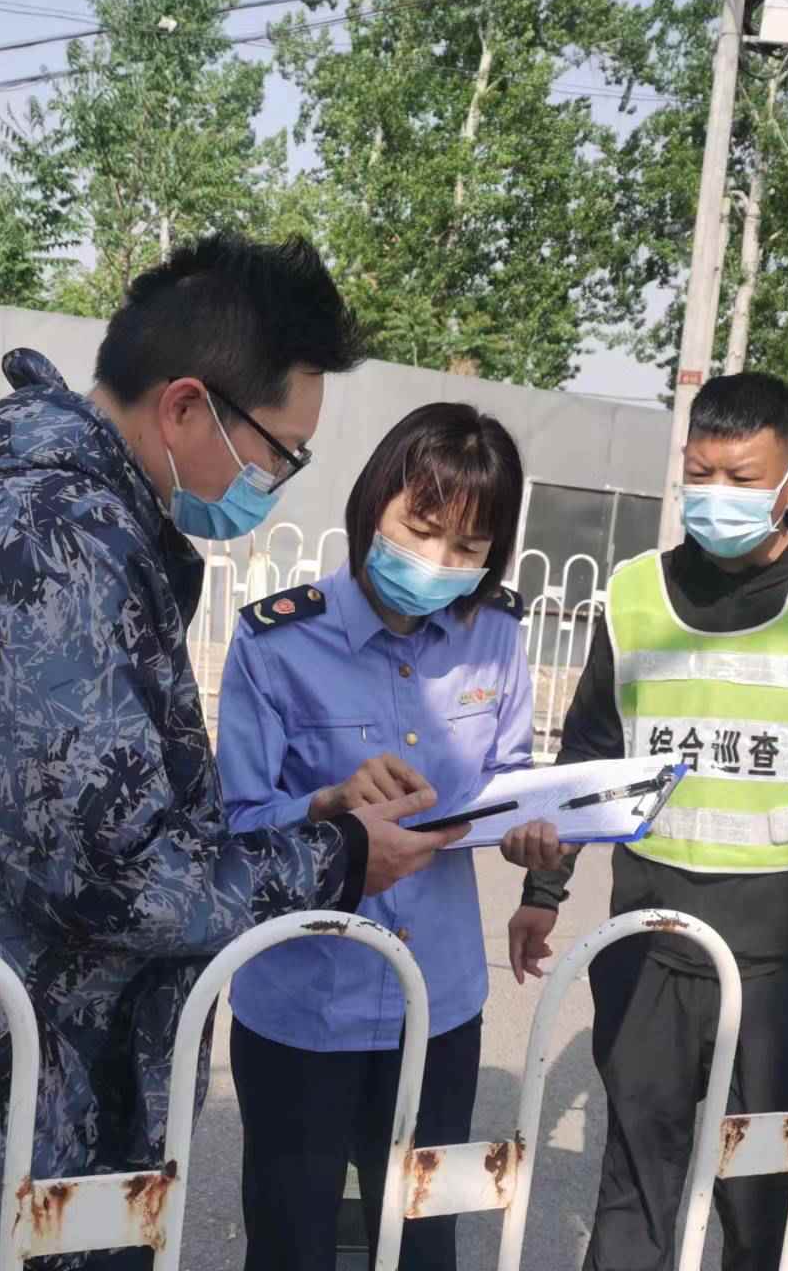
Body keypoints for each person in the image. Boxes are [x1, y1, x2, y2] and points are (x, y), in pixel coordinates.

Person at [0, 235, 470, 1271]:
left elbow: (111, 814)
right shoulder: (47, 543)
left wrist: (317, 817)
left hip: (39, 1104)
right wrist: (344, 858)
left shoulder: (90, 524)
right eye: (280, 452)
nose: (277, 480)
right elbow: (113, 874)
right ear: (185, 408)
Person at [501, 372, 788, 1271]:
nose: (716, 494)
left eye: (741, 477)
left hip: (782, 956)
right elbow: (593, 750)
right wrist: (544, 888)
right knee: (635, 1179)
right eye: (700, 473)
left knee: (760, 1192)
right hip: (647, 940)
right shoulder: (635, 592)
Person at [215, 403, 534, 1271]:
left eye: (467, 549)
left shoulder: (494, 636)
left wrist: (536, 836)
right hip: (304, 1004)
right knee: (292, 1243)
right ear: (373, 505)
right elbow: (235, 822)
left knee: (425, 1241)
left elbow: (512, 780)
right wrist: (326, 805)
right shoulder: (278, 641)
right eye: (420, 530)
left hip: (440, 1005)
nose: (437, 563)